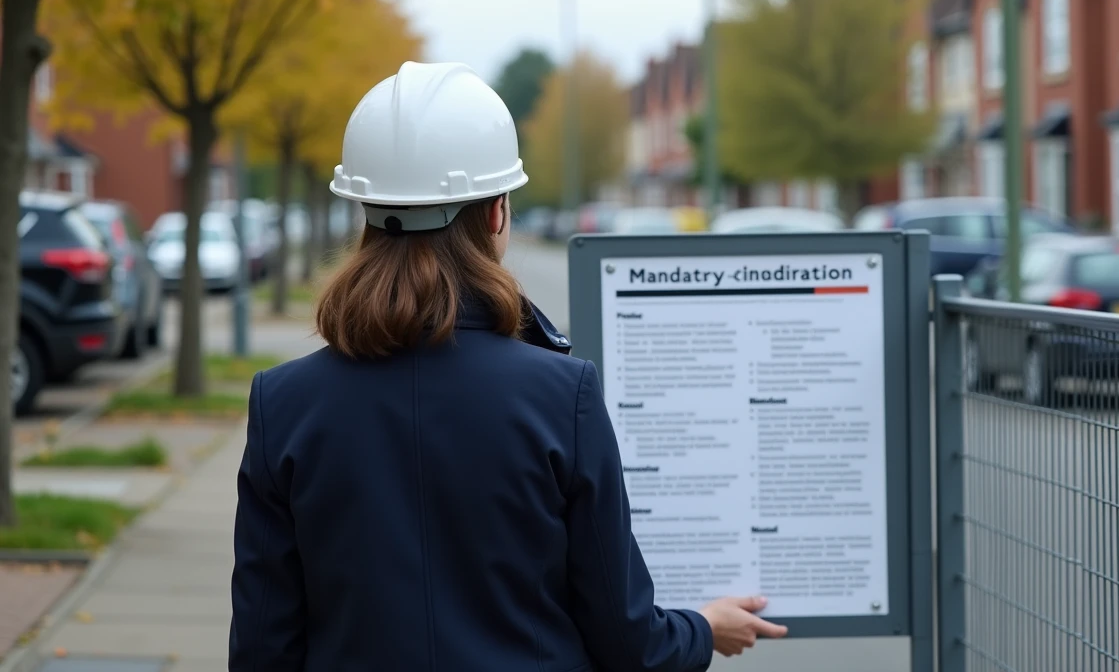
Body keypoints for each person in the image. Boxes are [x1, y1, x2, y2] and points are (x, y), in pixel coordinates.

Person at [229, 61, 786, 671]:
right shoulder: (561, 394)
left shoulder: (281, 403)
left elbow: (261, 651)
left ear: (365, 208)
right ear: (496, 213)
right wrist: (702, 629)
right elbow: (629, 643)